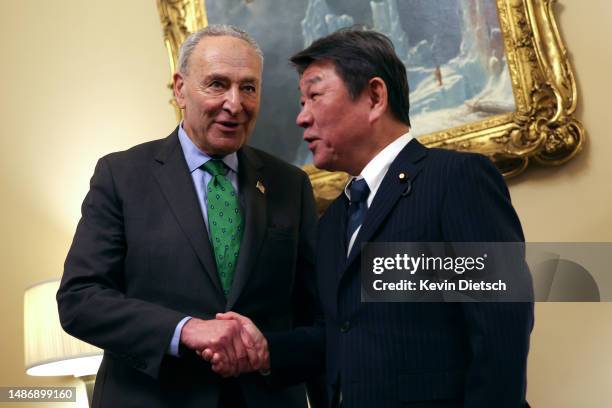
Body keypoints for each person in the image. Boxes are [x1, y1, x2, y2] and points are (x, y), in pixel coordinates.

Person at [57, 25, 324, 408]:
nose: (235, 103)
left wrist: (270, 352)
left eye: (248, 87)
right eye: (217, 84)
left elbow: (316, 320)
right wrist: (185, 330)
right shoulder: (122, 175)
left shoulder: (289, 184)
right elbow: (80, 299)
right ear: (180, 88)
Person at [290, 28, 533, 408]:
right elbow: (338, 335)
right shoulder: (333, 220)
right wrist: (260, 347)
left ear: (374, 96)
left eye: (315, 96)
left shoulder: (458, 179)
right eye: (302, 101)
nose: (301, 117)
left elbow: (501, 327)